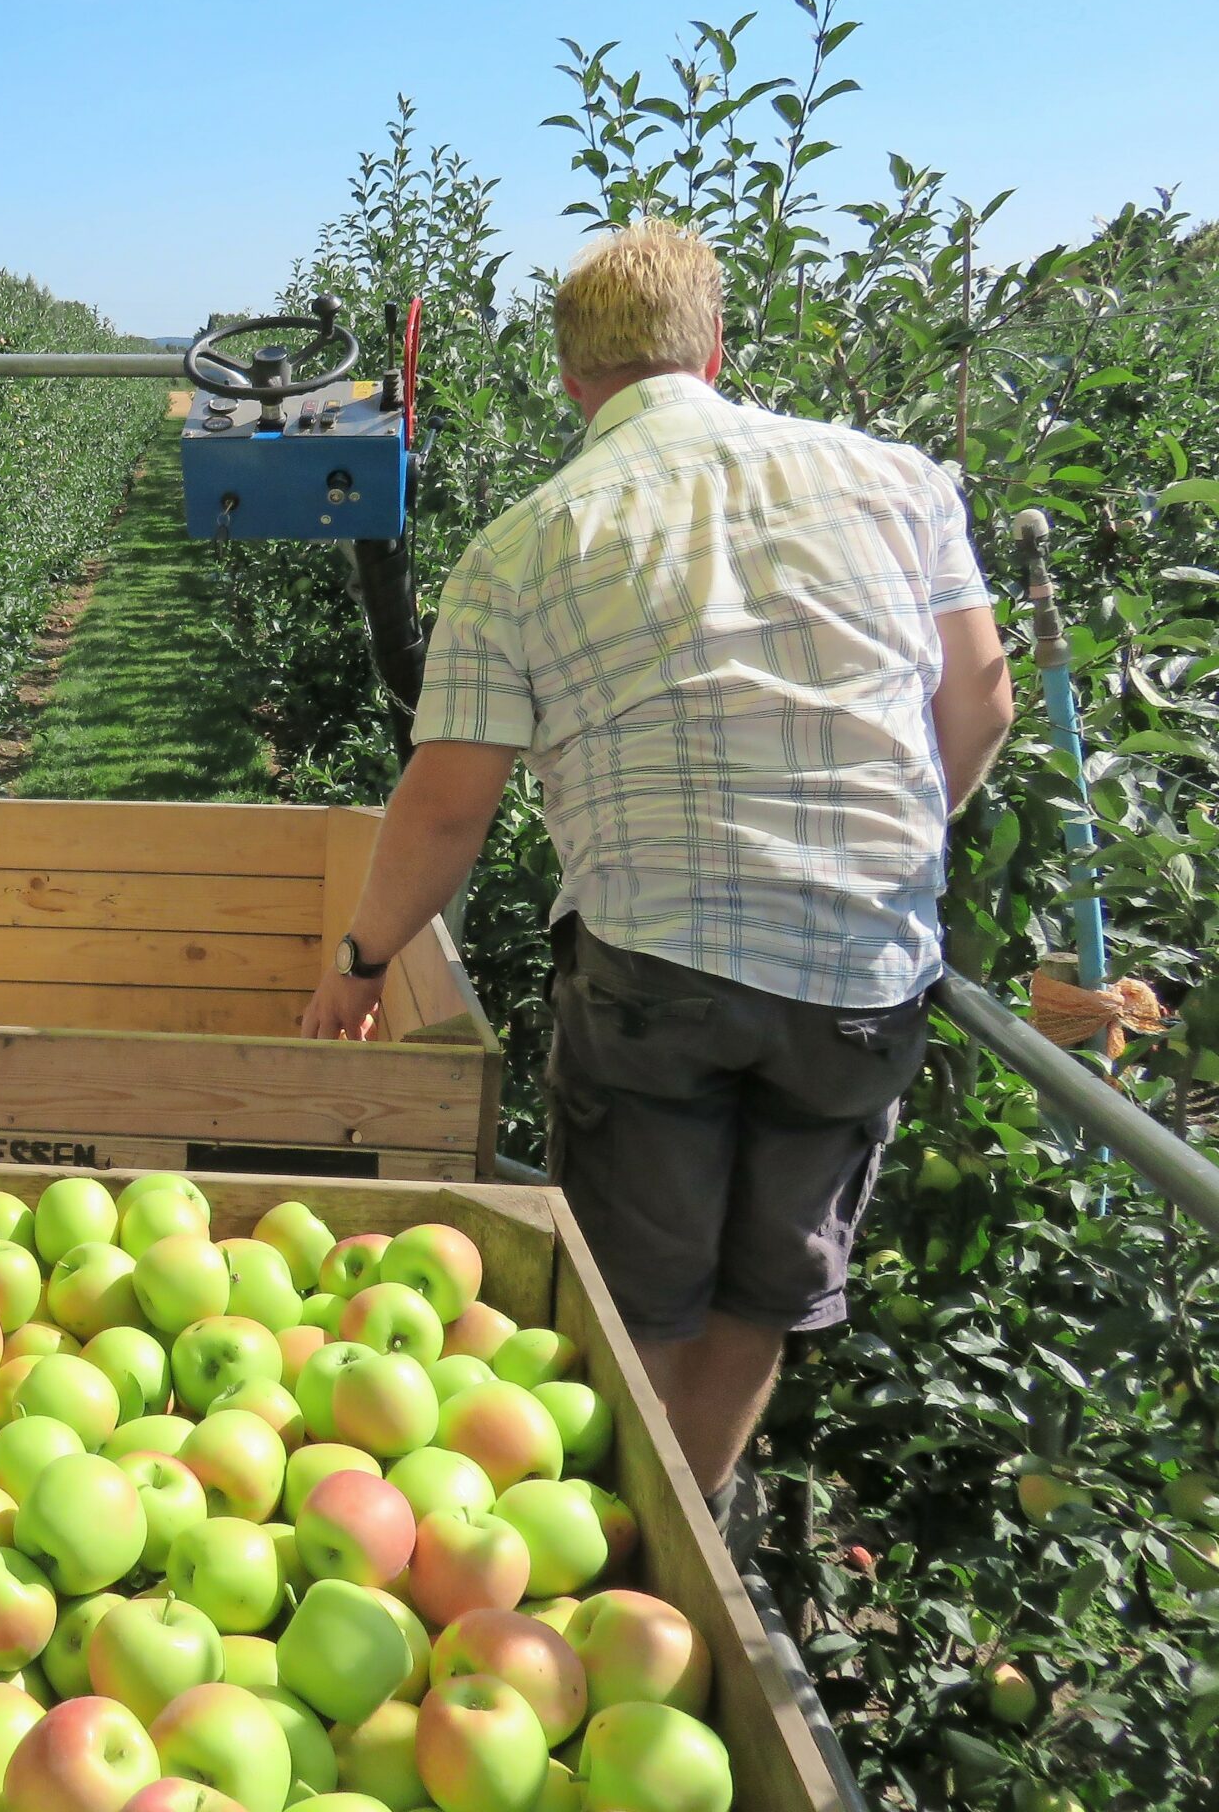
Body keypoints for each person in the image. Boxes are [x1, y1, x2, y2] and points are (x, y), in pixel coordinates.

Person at [302, 221, 1015, 1538]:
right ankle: (695, 1520)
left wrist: (360, 959)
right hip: (860, 972)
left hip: (659, 962)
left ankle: (621, 1550)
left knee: (635, 1296)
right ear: (718, 347)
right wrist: (893, 854)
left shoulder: (525, 546)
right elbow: (979, 703)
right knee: (763, 1291)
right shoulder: (904, 483)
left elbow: (450, 803)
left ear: (570, 376)